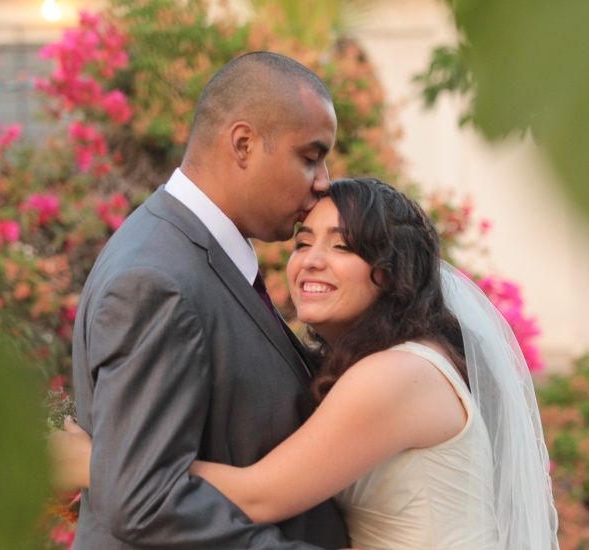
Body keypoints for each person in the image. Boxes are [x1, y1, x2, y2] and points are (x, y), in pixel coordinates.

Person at [58, 177, 560, 549]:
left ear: (390, 272)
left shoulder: (399, 375)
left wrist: (100, 464)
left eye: (342, 246)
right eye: (303, 242)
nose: (311, 260)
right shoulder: (384, 364)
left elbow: (258, 496)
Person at [69, 51, 347, 548]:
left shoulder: (196, 254)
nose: (324, 180)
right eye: (310, 156)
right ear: (243, 144)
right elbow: (142, 500)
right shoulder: (156, 280)